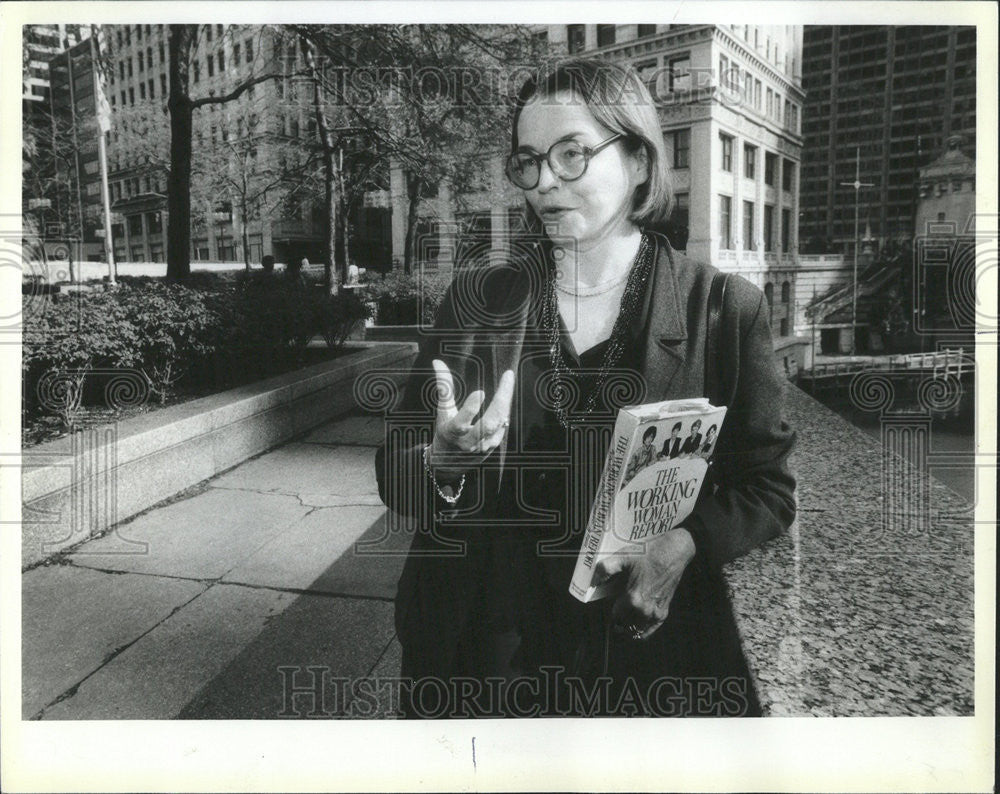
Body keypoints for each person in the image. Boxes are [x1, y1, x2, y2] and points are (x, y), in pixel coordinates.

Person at [374, 58, 796, 718]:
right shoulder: (474, 301)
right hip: (482, 661)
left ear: (637, 161)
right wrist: (441, 464)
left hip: (636, 661)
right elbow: (393, 471)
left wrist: (686, 543)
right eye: (528, 161)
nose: (544, 183)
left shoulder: (722, 308)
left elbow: (768, 488)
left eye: (572, 155)